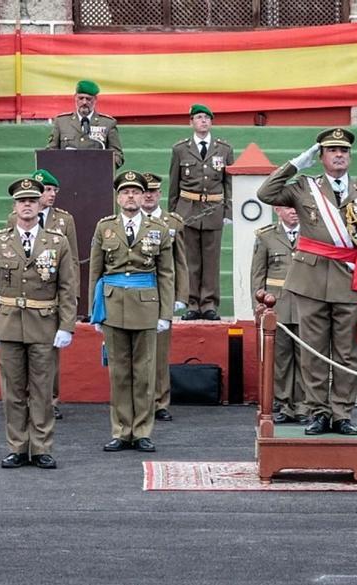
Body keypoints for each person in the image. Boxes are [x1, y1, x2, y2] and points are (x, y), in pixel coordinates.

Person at [256, 127, 357, 437]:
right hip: (309, 281)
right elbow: (265, 193)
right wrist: (298, 163)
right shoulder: (303, 187)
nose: (339, 155)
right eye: (331, 150)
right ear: (322, 156)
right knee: (313, 353)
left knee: (346, 353)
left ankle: (342, 413)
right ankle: (318, 413)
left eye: (344, 151)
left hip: (350, 283)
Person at [0, 178, 78, 469]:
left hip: (44, 324)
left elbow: (67, 287)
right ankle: (16, 446)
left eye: (32, 200)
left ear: (40, 205)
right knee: (12, 391)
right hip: (9, 323)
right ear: (14, 206)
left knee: (41, 391)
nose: (27, 205)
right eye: (21, 201)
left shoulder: (57, 242)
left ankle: (41, 447)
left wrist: (66, 326)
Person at [90, 171, 175, 453]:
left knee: (144, 373)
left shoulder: (158, 229)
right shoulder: (105, 228)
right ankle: (120, 430)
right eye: (125, 192)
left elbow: (166, 274)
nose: (131, 196)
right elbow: (96, 271)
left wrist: (165, 314)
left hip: (146, 306)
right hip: (113, 305)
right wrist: (96, 310)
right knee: (119, 373)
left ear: (143, 196)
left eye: (136, 192)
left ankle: (142, 431)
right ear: (117, 197)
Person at [7, 169, 78, 421]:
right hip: (23, 298)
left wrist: (72, 298)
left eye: (52, 190)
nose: (50, 195)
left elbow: (72, 264)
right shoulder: (13, 219)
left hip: (51, 297)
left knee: (50, 357)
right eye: (46, 190)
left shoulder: (64, 220)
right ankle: (27, 398)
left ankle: (51, 399)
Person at [168, 104, 234, 321]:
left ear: (211, 122)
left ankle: (209, 304)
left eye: (207, 117)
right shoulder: (180, 149)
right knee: (190, 260)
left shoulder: (224, 149)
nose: (203, 121)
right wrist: (171, 215)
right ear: (191, 122)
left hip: (214, 210)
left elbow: (228, 183)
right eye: (199, 117)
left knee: (212, 261)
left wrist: (228, 212)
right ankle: (192, 303)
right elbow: (174, 184)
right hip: (187, 210)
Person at [251, 205, 308, 424]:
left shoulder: (312, 233)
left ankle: (304, 406)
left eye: (296, 207)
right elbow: (258, 274)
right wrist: (259, 305)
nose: (294, 211)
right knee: (281, 360)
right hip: (278, 308)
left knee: (306, 359)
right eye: (288, 207)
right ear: (277, 210)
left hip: (305, 306)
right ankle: (285, 405)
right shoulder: (266, 237)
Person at [142, 171, 189, 422]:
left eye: (153, 191)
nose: (149, 196)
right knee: (138, 352)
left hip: (162, 294)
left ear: (160, 194)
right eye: (145, 191)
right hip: (136, 293)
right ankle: (140, 400)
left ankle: (160, 402)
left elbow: (180, 262)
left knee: (160, 353)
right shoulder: (130, 221)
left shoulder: (172, 223)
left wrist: (181, 295)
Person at [46, 80, 123, 168]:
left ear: (95, 99)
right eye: (81, 98)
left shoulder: (108, 123)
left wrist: (105, 164)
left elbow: (118, 155)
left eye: (88, 99)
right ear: (75, 98)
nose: (84, 102)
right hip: (67, 173)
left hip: (97, 174)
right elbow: (50, 151)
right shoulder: (61, 122)